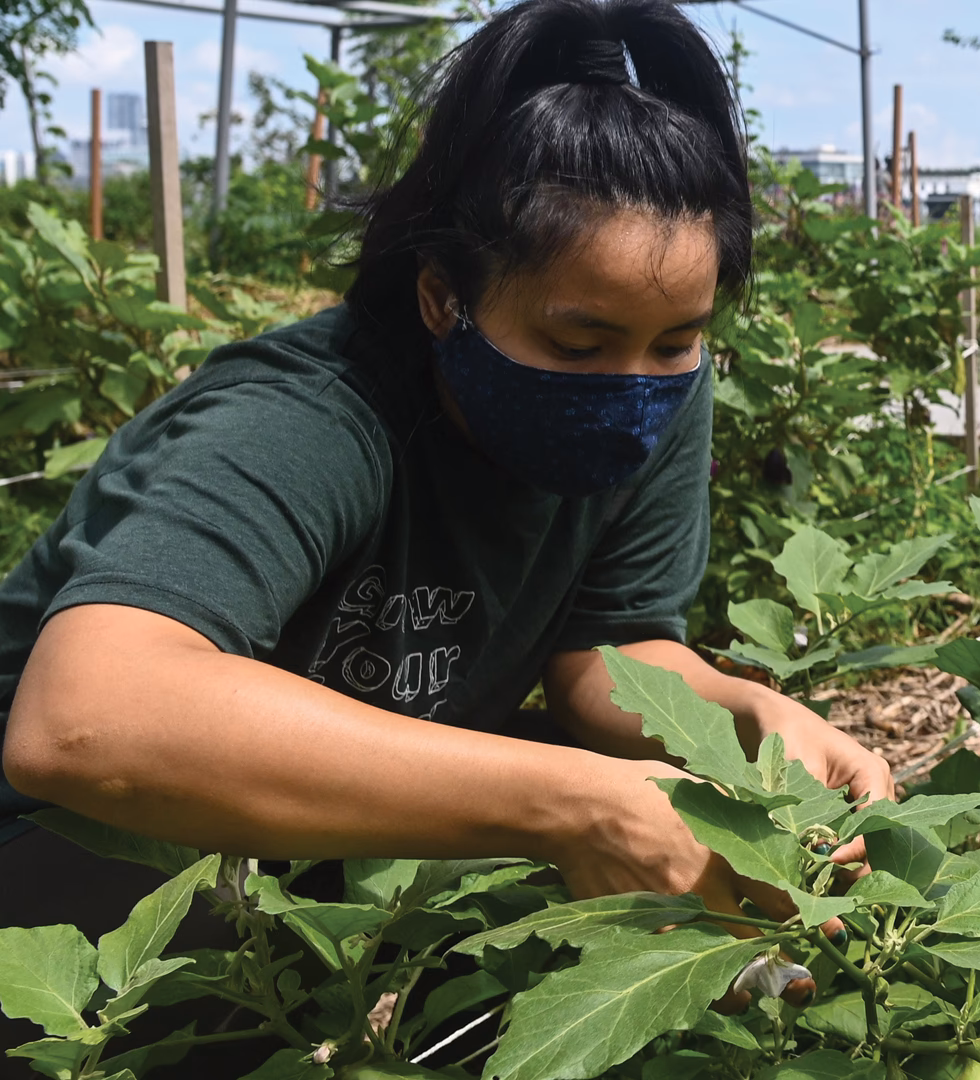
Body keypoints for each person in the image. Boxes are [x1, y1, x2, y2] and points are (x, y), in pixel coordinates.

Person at [0, 0, 890, 938]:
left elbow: (608, 651)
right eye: (576, 342)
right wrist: (575, 807)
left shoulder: (663, 389)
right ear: (441, 298)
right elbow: (88, 722)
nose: (632, 383)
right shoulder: (310, 420)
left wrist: (749, 717)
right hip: (64, 851)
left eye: (677, 340)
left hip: (311, 841)